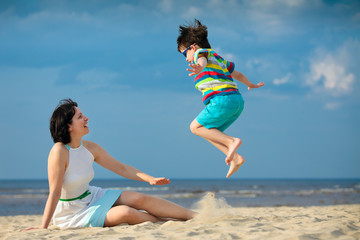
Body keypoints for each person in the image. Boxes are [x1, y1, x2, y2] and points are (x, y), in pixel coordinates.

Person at [25, 99, 196, 230]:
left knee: (138, 198)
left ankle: (193, 216)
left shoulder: (91, 148)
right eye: (80, 117)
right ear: (68, 126)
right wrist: (43, 227)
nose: (86, 118)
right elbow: (54, 193)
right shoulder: (59, 151)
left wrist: (149, 179)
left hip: (91, 196)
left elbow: (121, 168)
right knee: (126, 212)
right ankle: (168, 222)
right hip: (72, 213)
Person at [177, 19, 265, 178]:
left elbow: (201, 58)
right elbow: (236, 74)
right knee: (208, 131)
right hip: (237, 101)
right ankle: (235, 158)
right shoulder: (218, 59)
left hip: (221, 100)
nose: (186, 58)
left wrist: (200, 66)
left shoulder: (201, 54)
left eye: (185, 53)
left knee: (194, 127)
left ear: (193, 46)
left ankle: (232, 142)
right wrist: (250, 84)